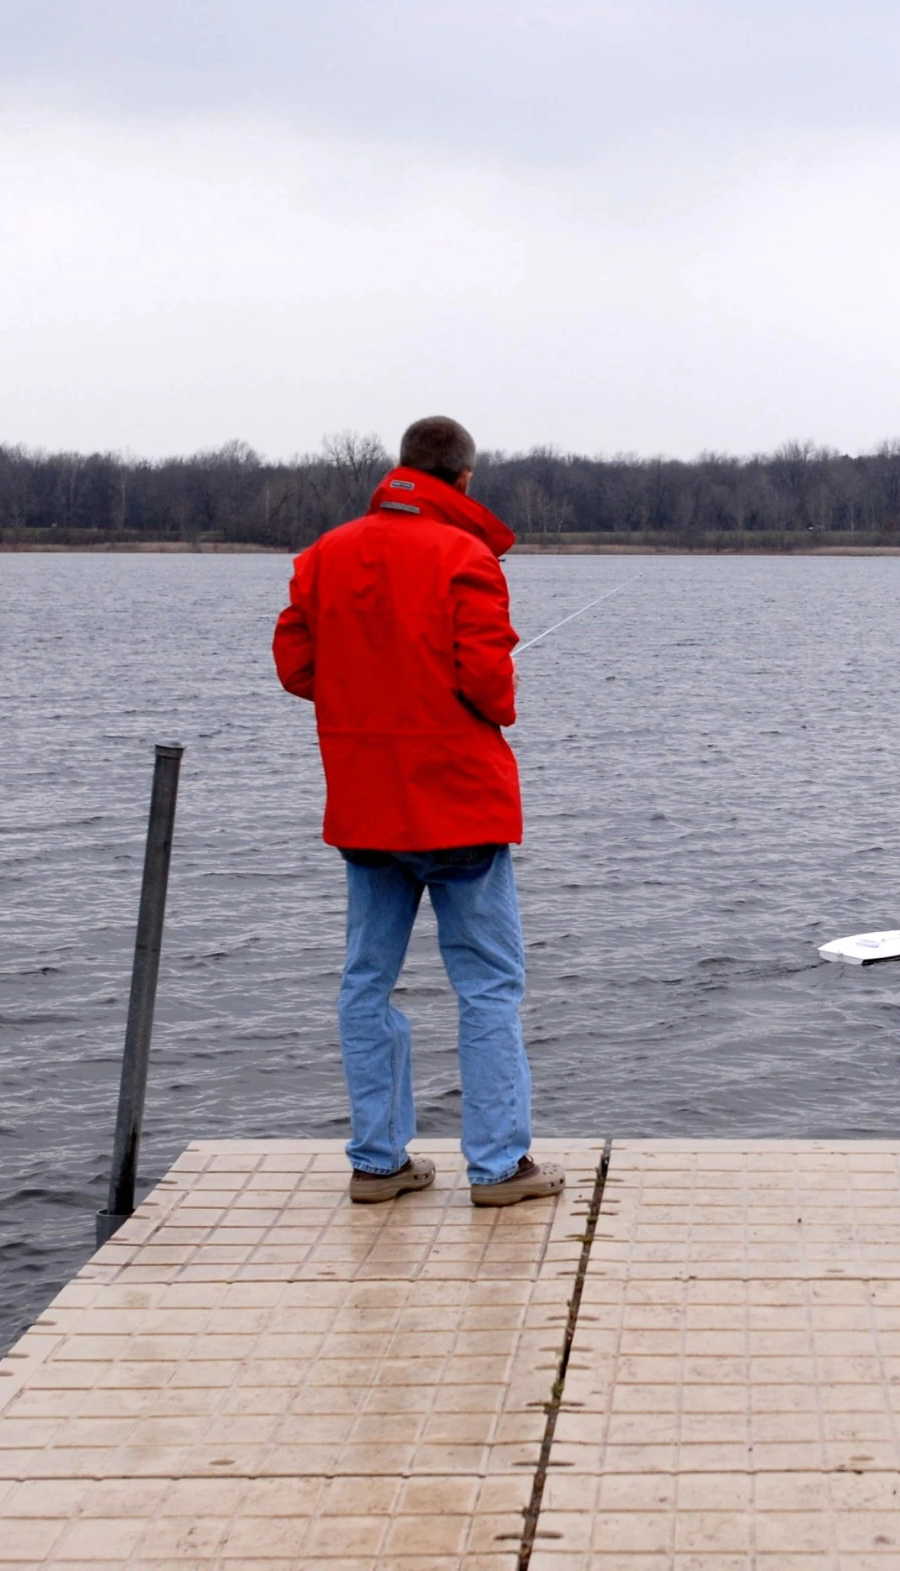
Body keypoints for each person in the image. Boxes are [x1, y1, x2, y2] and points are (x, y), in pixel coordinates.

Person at [272, 415, 564, 1208]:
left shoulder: (325, 556)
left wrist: (367, 693)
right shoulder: (467, 556)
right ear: (463, 480)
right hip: (461, 808)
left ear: (401, 469)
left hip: (368, 809)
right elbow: (490, 688)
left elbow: (296, 665)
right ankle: (499, 1167)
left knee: (366, 982)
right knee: (489, 988)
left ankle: (378, 1160)